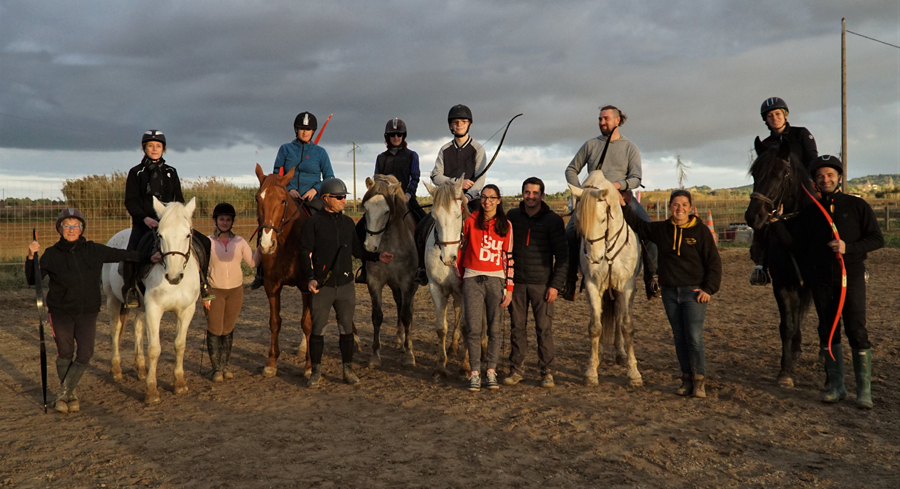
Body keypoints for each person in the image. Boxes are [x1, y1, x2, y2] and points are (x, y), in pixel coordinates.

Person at [773, 156, 883, 409]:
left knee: (856, 330)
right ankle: (836, 386)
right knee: (828, 329)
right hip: (820, 278)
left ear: (839, 178)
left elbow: (877, 239)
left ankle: (864, 392)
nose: (826, 179)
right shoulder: (809, 213)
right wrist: (776, 222)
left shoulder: (857, 206)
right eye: (821, 176)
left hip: (850, 276)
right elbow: (794, 243)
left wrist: (849, 247)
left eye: (830, 175)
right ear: (814, 181)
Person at [26, 209, 159, 413]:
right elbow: (32, 280)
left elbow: (123, 254)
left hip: (88, 311)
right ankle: (70, 395)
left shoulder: (93, 250)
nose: (72, 230)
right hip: (60, 311)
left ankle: (63, 395)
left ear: (81, 229)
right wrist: (30, 257)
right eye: (67, 226)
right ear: (60, 229)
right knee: (66, 352)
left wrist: (149, 257)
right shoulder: (51, 254)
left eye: (76, 226)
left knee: (86, 353)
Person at [620, 190, 722, 398]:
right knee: (679, 338)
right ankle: (686, 378)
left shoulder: (700, 231)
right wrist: (623, 204)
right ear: (670, 207)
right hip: (669, 293)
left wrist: (708, 289)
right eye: (676, 204)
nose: (680, 209)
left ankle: (699, 380)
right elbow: (639, 226)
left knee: (693, 337)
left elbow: (713, 262)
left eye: (684, 205)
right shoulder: (662, 230)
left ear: (691, 208)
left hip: (693, 293)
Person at [299, 177, 393, 388]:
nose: (343, 200)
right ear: (326, 199)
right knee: (318, 331)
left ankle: (347, 369)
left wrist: (378, 257)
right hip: (322, 287)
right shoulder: (313, 223)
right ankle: (316, 371)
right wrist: (310, 278)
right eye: (339, 197)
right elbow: (304, 252)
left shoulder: (348, 222)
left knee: (346, 330)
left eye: (344, 197)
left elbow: (357, 250)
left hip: (345, 286)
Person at [564, 105, 658, 301]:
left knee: (649, 232)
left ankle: (652, 278)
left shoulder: (630, 147)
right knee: (570, 232)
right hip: (592, 201)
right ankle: (570, 279)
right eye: (600, 119)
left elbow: (636, 178)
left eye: (606, 119)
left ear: (617, 121)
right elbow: (571, 169)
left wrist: (618, 185)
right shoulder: (590, 145)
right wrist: (582, 193)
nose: (602, 122)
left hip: (621, 199)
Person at [123, 129, 213, 307]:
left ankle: (204, 283)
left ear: (163, 149)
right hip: (145, 223)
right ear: (144, 148)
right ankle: (130, 288)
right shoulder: (136, 173)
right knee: (131, 252)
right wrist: (145, 219)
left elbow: (178, 199)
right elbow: (131, 202)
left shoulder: (171, 172)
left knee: (205, 242)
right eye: (150, 146)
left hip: (170, 223)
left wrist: (179, 218)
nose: (154, 149)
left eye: (158, 146)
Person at [250, 112, 335, 289]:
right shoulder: (285, 149)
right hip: (288, 196)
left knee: (323, 226)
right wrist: (289, 190)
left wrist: (315, 189)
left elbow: (329, 177)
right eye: (302, 129)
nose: (305, 132)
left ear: (313, 131)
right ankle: (261, 272)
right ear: (296, 130)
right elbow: (275, 176)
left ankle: (323, 267)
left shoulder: (321, 153)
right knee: (266, 222)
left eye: (308, 129)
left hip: (311, 199)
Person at [503, 177, 567, 388]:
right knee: (517, 328)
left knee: (544, 328)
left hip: (542, 284)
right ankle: (516, 369)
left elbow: (563, 257)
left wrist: (555, 285)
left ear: (542, 195)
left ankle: (546, 372)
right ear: (522, 193)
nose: (530, 196)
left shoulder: (553, 220)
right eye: (527, 192)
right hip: (517, 283)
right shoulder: (512, 217)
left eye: (535, 193)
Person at [413, 104, 487, 285]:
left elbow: (480, 179)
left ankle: (486, 269)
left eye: (463, 121)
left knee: (485, 227)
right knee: (422, 227)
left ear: (469, 124)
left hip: (471, 199)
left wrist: (467, 196)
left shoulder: (478, 149)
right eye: (456, 122)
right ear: (451, 126)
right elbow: (435, 176)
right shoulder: (444, 149)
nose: (459, 125)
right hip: (446, 201)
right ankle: (422, 268)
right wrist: (455, 182)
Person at [750, 97, 819, 285]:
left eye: (777, 114)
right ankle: (761, 264)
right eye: (770, 116)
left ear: (785, 115)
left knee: (829, 210)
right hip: (779, 191)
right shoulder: (766, 143)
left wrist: (812, 181)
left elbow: (813, 158)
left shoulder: (801, 134)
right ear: (766, 120)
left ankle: (847, 260)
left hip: (804, 186)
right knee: (762, 218)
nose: (774, 118)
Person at [458, 184, 514, 392]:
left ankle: (491, 370)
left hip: (496, 280)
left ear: (499, 200)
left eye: (492, 198)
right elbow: (459, 246)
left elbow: (508, 258)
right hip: (472, 279)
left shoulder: (506, 225)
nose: (487, 201)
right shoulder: (470, 221)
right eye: (484, 197)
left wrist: (509, 288)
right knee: (473, 329)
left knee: (494, 329)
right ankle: (474, 373)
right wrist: (460, 273)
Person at [355, 117, 424, 284]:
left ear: (404, 136)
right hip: (384, 201)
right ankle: (365, 266)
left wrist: (408, 194)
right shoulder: (381, 158)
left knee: (424, 224)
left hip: (405, 200)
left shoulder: (412, 156)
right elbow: (377, 178)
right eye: (392, 134)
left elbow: (415, 178)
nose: (396, 137)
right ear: (387, 137)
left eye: (399, 134)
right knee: (359, 228)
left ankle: (422, 267)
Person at [205, 202, 260, 382]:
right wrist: (205, 293)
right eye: (221, 219)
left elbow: (252, 263)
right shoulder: (207, 242)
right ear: (215, 220)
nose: (225, 222)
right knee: (215, 328)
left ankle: (225, 365)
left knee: (228, 328)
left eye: (228, 219)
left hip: (235, 290)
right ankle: (216, 368)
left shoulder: (240, 242)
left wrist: (262, 244)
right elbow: (199, 270)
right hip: (214, 290)